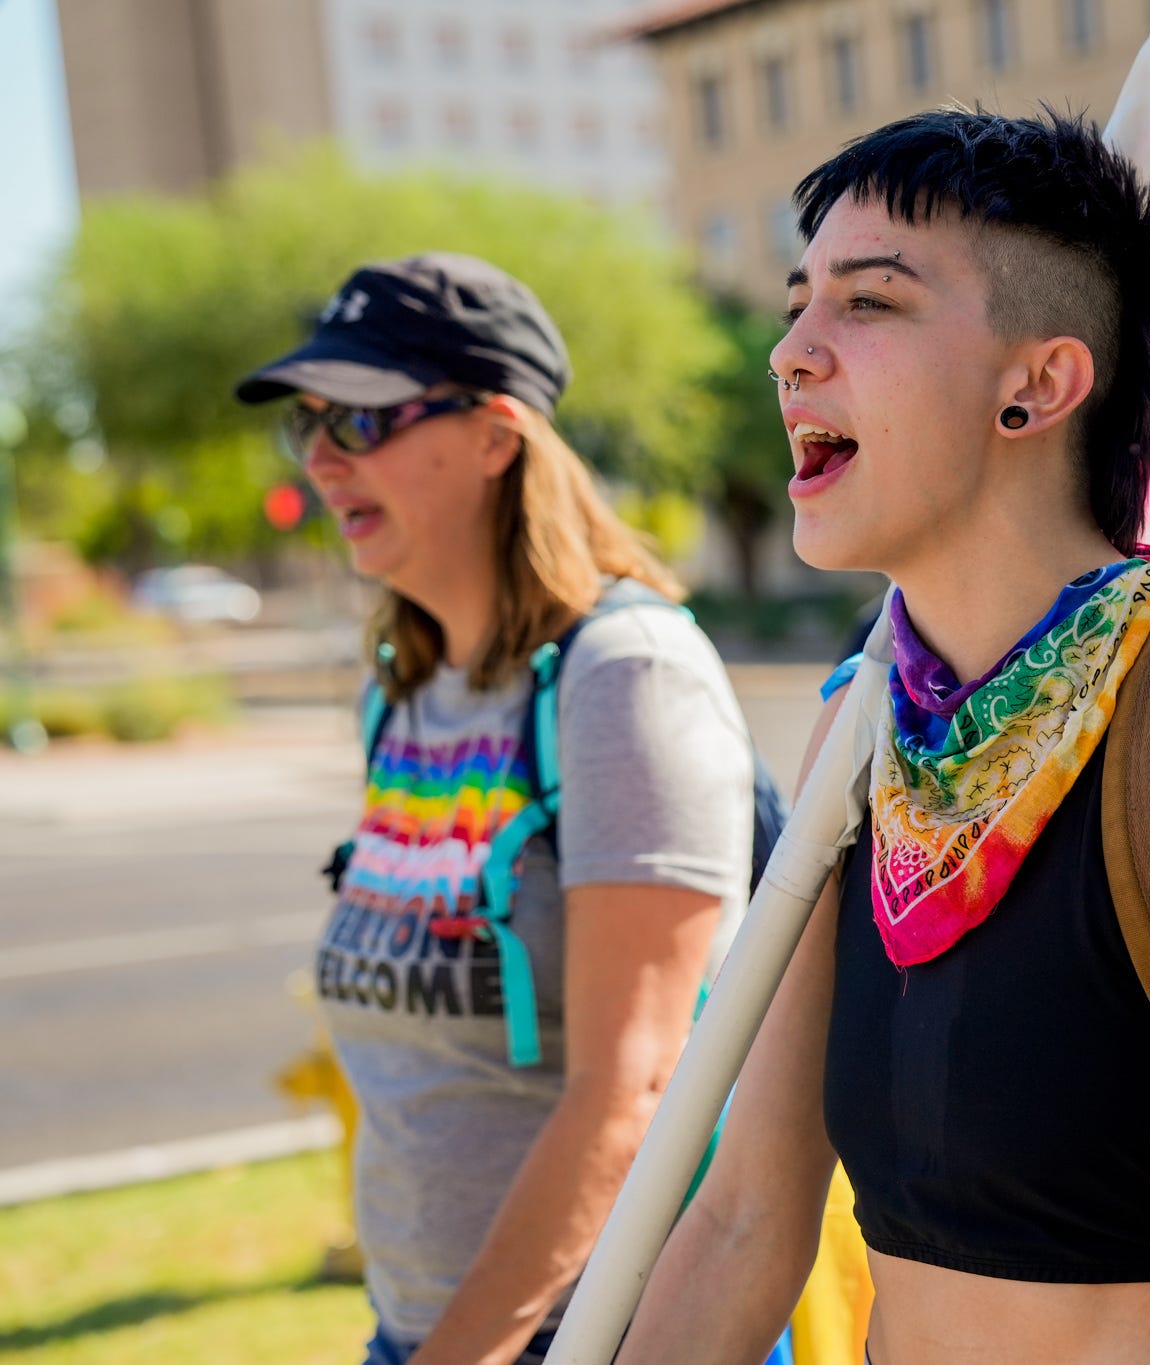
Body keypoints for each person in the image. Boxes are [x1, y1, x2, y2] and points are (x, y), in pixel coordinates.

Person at [616, 110, 1150, 1365]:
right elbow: (743, 1221)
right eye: (797, 302)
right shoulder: (860, 726)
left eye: (868, 305)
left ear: (1037, 385)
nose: (789, 354)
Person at [234, 253, 759, 1365]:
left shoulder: (626, 675)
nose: (321, 459)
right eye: (309, 424)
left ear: (494, 434)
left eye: (361, 421)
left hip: (600, 1338)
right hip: (429, 1332)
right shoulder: (403, 688)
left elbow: (635, 1087)